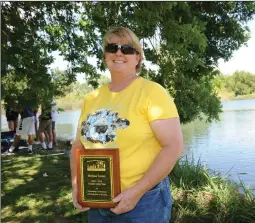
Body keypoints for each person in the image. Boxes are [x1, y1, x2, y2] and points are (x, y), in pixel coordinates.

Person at [70, 27, 184, 223]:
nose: (119, 52)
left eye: (127, 48)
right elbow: (78, 147)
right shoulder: (92, 98)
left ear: (138, 57)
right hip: (98, 202)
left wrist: (137, 192)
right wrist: (77, 186)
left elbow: (173, 146)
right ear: (105, 55)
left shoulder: (152, 93)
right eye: (112, 47)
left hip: (144, 202)